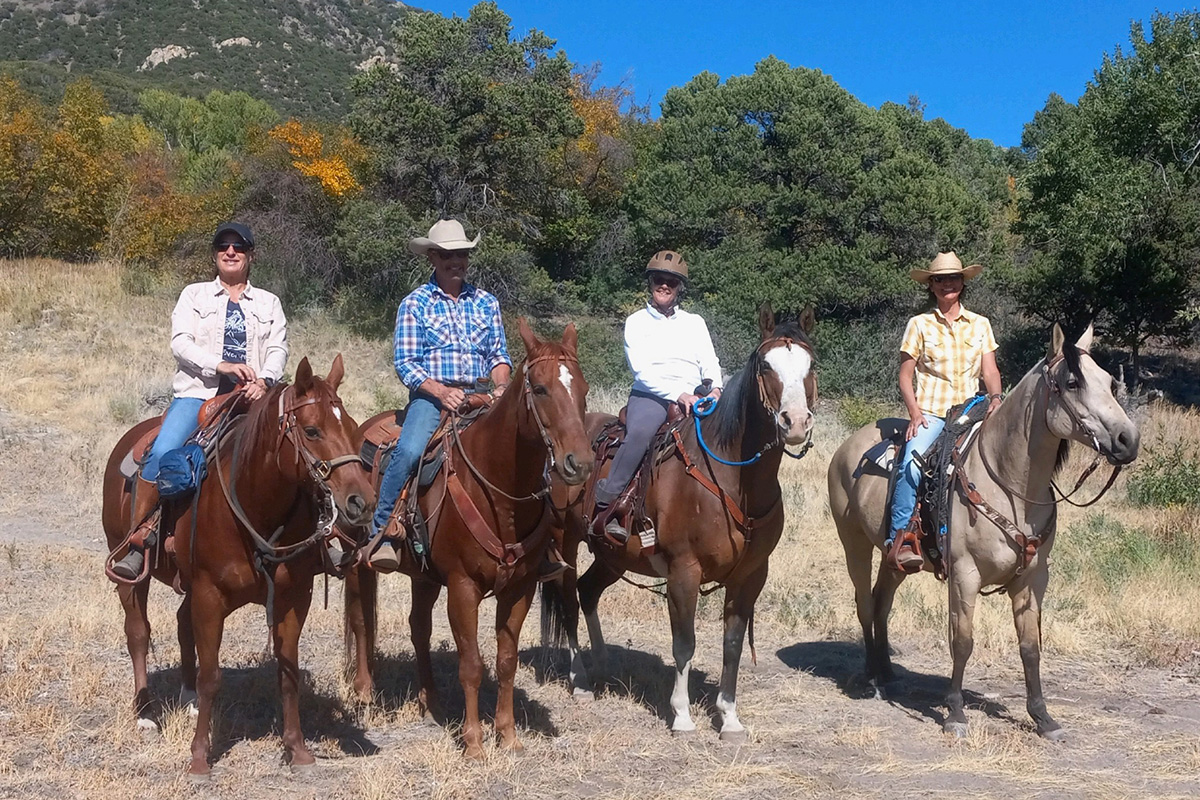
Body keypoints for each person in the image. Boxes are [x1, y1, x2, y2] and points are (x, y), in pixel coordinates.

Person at [112, 222, 289, 580]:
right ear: (214, 254)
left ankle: (324, 538)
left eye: (239, 246)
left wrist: (265, 380)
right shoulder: (194, 296)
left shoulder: (269, 302)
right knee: (163, 452)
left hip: (254, 397)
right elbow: (181, 343)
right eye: (223, 246)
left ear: (250, 255)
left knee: (300, 444)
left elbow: (277, 346)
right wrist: (220, 364)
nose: (231, 252)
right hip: (200, 394)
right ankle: (140, 538)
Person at [370, 219, 513, 571]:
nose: (456, 261)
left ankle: (547, 538)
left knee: (528, 446)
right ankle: (384, 530)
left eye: (462, 254)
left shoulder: (486, 302)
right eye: (448, 254)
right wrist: (440, 391)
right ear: (433, 256)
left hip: (483, 397)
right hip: (432, 398)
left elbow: (498, 355)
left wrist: (501, 387)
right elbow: (406, 363)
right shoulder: (415, 303)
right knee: (410, 449)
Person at [592, 250, 723, 544]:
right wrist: (678, 395)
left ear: (679, 288)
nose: (664, 286)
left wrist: (715, 388)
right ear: (650, 283)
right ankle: (610, 504)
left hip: (695, 395)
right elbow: (642, 371)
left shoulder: (694, 322)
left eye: (671, 282)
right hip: (652, 395)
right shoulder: (637, 321)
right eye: (658, 280)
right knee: (639, 433)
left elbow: (710, 360)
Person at [886, 251, 1002, 572]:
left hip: (972, 410)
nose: (947, 284)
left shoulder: (981, 325)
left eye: (953, 278)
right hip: (933, 414)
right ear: (932, 286)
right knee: (911, 464)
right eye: (940, 279)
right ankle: (903, 536)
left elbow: (990, 370)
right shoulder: (919, 325)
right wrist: (915, 414)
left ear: (962, 282)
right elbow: (905, 375)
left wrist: (995, 397)